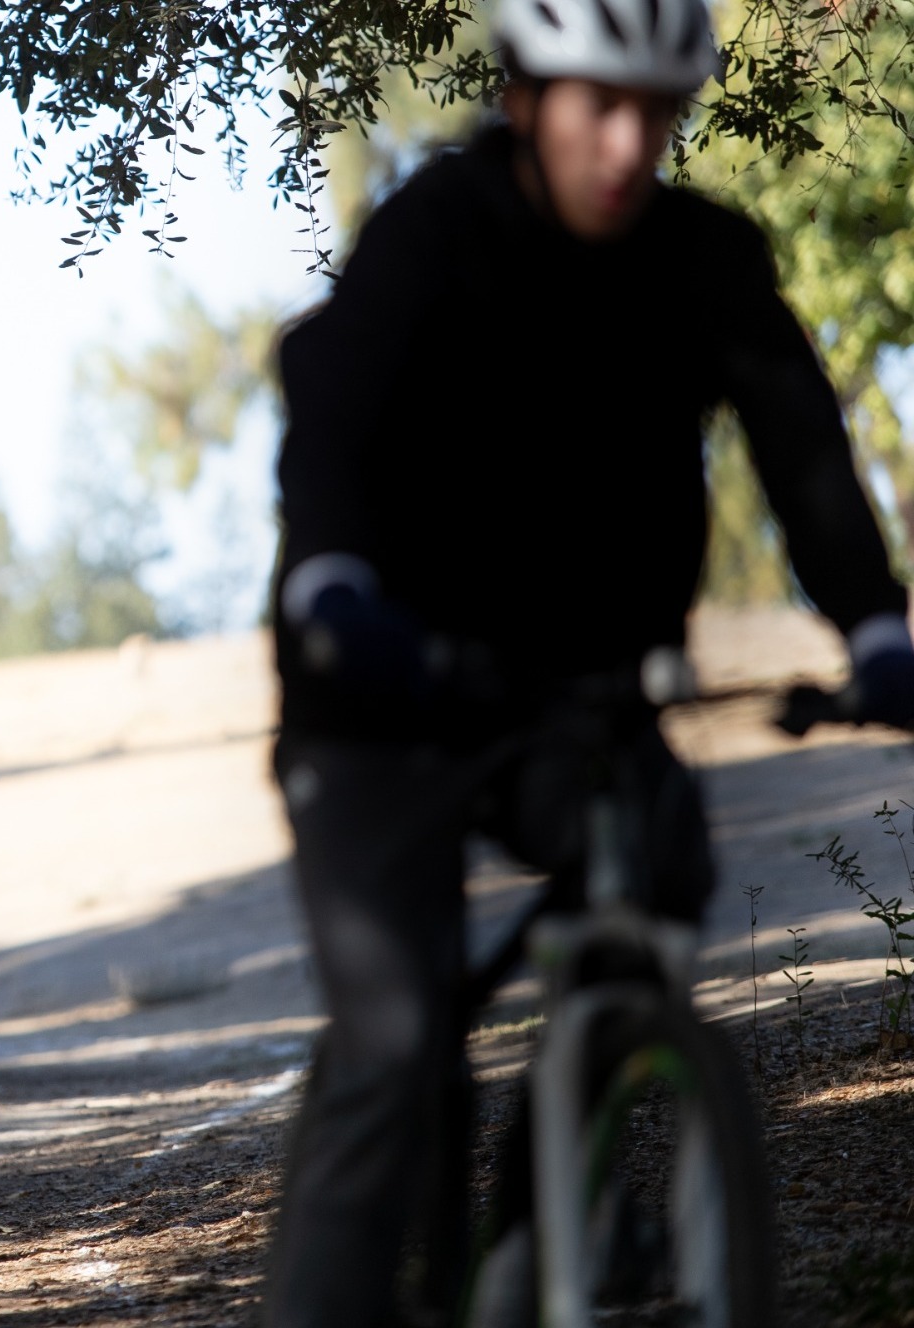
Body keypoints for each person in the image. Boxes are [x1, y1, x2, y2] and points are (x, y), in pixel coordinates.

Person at [263, 0, 914, 1322]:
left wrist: (879, 627)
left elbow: (801, 445)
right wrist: (332, 580)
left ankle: (543, 1233)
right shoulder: (440, 231)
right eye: (596, 105)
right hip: (384, 690)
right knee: (397, 1048)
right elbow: (332, 402)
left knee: (659, 874)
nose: (629, 143)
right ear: (523, 97)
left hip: (577, 692)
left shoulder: (702, 259)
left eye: (657, 113)